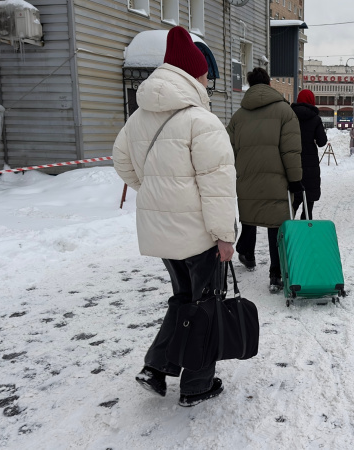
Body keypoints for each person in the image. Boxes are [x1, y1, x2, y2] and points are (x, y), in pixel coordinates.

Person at [113, 26, 236, 407]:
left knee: (184, 298)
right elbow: (217, 187)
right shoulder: (201, 121)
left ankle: (157, 366)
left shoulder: (137, 118)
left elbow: (121, 163)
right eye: (204, 74)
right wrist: (225, 235)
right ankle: (198, 383)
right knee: (207, 305)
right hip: (199, 235)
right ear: (193, 76)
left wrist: (155, 192)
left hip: (161, 233)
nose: (205, 80)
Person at [226, 67, 302, 292]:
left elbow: (227, 149)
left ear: (250, 85)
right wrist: (296, 180)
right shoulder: (285, 111)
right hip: (277, 180)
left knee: (250, 215)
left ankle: (247, 255)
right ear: (269, 84)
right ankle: (276, 274)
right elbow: (291, 151)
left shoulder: (238, 116)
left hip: (247, 178)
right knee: (276, 224)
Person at [291, 89, 327, 219]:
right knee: (309, 202)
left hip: (293, 161)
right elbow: (322, 142)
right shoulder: (315, 119)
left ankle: (289, 232)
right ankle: (305, 232)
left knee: (293, 203)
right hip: (310, 164)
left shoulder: (290, 116)